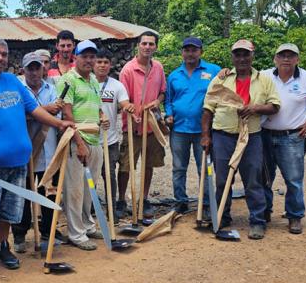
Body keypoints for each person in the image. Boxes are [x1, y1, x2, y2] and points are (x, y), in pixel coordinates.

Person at [0, 38, 72, 283]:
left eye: (4, 54)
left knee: (8, 211)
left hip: (17, 163)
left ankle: (2, 246)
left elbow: (34, 109)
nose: (0, 58)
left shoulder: (12, 82)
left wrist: (59, 123)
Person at [201, 39, 280, 240]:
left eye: (246, 54)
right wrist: (205, 136)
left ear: (252, 56)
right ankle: (222, 216)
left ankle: (257, 221)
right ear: (232, 57)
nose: (242, 58)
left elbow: (275, 106)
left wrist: (255, 108)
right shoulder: (221, 79)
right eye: (238, 54)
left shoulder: (264, 80)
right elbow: (208, 109)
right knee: (221, 180)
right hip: (223, 135)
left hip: (251, 137)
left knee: (253, 179)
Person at [261, 43, 306, 234]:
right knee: (263, 177)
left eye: (290, 55)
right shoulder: (264, 76)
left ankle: (294, 216)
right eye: (282, 55)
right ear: (275, 59)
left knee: (293, 179)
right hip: (265, 135)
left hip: (292, 137)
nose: (286, 59)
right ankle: (264, 212)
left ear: (297, 59)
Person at [57, 40, 108, 251]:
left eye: (91, 56)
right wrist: (79, 143)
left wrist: (103, 116)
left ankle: (87, 225)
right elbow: (67, 114)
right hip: (77, 141)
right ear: (75, 57)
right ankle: (76, 234)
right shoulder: (68, 80)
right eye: (84, 56)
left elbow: (97, 108)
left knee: (90, 188)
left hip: (95, 139)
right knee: (75, 189)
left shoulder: (94, 80)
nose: (89, 60)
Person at [11, 52, 63, 253]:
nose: (34, 72)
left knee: (48, 195)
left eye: (38, 67)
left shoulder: (52, 89)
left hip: (48, 151)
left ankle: (47, 234)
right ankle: (19, 234)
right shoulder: (17, 88)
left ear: (43, 69)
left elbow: (56, 113)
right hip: (24, 152)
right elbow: (17, 113)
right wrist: (44, 110)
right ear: (23, 70)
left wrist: (42, 111)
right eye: (30, 68)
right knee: (22, 197)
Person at [165, 37, 221, 216]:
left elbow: (223, 91)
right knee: (179, 167)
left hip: (202, 130)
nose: (190, 53)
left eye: (194, 50)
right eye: (187, 50)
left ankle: (205, 203)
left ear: (200, 52)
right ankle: (180, 201)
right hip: (179, 130)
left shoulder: (213, 71)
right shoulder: (174, 75)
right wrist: (169, 114)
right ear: (182, 52)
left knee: (204, 167)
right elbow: (168, 101)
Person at [118, 31, 167, 219]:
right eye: (144, 43)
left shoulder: (159, 68)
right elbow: (123, 100)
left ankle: (144, 199)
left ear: (155, 47)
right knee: (125, 165)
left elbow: (162, 92)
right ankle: (121, 200)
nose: (147, 47)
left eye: (151, 44)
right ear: (138, 45)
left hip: (151, 127)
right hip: (131, 126)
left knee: (148, 165)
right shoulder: (128, 70)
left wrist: (157, 102)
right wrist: (133, 113)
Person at [94, 49, 134, 220]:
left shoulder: (116, 85)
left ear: (110, 65)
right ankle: (90, 207)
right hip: (90, 140)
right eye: (99, 62)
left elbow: (124, 102)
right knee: (90, 176)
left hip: (109, 141)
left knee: (109, 175)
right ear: (93, 64)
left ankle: (111, 209)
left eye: (105, 62)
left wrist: (128, 107)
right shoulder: (86, 83)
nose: (102, 65)